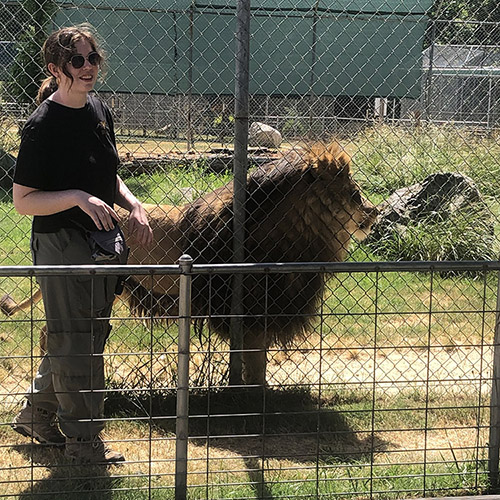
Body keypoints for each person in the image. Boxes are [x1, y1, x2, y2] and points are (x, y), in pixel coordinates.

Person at [11, 25, 153, 464]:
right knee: (77, 343)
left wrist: (132, 203)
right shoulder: (41, 128)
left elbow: (105, 171)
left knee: (86, 336)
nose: (89, 67)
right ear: (56, 68)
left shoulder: (97, 109)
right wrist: (75, 196)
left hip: (101, 242)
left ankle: (37, 413)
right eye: (77, 60)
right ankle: (83, 444)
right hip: (60, 244)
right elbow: (22, 201)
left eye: (92, 57)